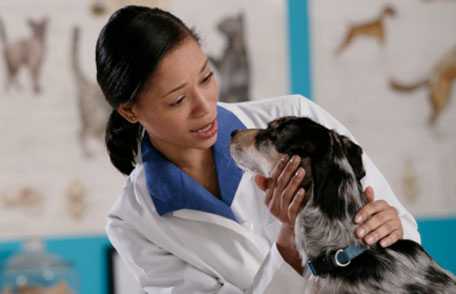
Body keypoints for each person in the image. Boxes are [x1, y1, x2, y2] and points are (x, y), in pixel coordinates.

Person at [96, 5, 421, 293]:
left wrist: (389, 229)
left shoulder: (301, 119)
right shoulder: (134, 221)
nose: (204, 107)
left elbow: (401, 240)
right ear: (130, 111)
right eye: (178, 100)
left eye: (207, 77)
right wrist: (289, 245)